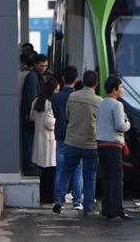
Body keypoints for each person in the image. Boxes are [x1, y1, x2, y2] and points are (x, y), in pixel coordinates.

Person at [52, 70, 101, 217]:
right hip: (90, 144)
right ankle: (88, 206)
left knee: (66, 172)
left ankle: (59, 199)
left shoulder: (72, 97)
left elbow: (67, 116)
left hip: (72, 141)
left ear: (83, 81)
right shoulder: (99, 101)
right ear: (96, 84)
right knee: (89, 175)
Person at [97, 75, 132, 220]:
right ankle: (118, 209)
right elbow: (120, 126)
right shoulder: (117, 105)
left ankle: (107, 210)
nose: (122, 90)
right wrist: (128, 123)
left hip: (101, 144)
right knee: (117, 178)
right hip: (113, 144)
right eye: (121, 87)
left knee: (107, 178)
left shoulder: (102, 103)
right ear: (114, 90)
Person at [51, 65, 83, 210]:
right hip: (75, 136)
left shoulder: (55, 97)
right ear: (76, 79)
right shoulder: (78, 97)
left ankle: (58, 198)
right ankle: (77, 200)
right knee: (77, 170)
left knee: (61, 169)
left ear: (63, 78)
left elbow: (56, 114)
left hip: (60, 135)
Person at [31, 79, 59, 203]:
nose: (57, 93)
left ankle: (43, 196)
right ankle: (49, 198)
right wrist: (58, 120)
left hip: (39, 140)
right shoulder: (49, 104)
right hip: (49, 140)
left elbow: (32, 117)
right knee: (50, 172)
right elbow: (49, 123)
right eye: (56, 90)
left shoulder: (36, 101)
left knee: (42, 172)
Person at [21, 53, 48, 175]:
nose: (44, 68)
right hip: (31, 116)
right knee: (30, 142)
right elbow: (32, 99)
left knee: (32, 141)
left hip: (32, 115)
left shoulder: (36, 76)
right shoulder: (32, 77)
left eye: (45, 66)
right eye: (41, 65)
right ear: (35, 64)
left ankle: (31, 166)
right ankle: (30, 167)